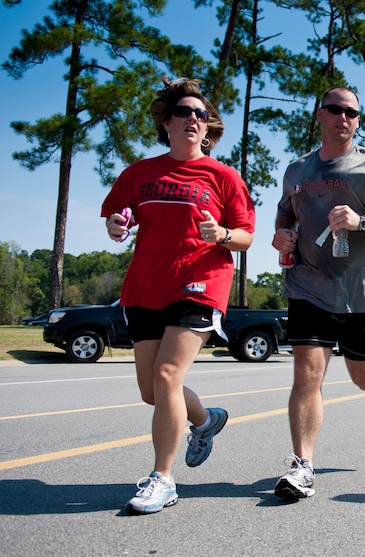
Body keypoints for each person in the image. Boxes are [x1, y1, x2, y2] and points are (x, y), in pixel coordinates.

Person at [101, 76, 256, 514]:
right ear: (166, 123)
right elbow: (118, 216)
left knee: (168, 376)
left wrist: (223, 233)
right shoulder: (139, 173)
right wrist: (116, 226)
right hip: (146, 285)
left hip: (200, 281)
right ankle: (205, 421)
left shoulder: (223, 176)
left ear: (208, 128)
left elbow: (245, 237)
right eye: (184, 112)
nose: (193, 119)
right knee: (153, 391)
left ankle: (162, 479)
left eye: (200, 114)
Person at [271, 86, 365, 499]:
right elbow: (286, 212)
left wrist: (361, 222)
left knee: (362, 375)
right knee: (307, 375)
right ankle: (302, 466)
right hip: (309, 285)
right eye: (336, 110)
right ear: (319, 114)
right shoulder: (297, 170)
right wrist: (282, 235)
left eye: (353, 113)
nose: (344, 118)